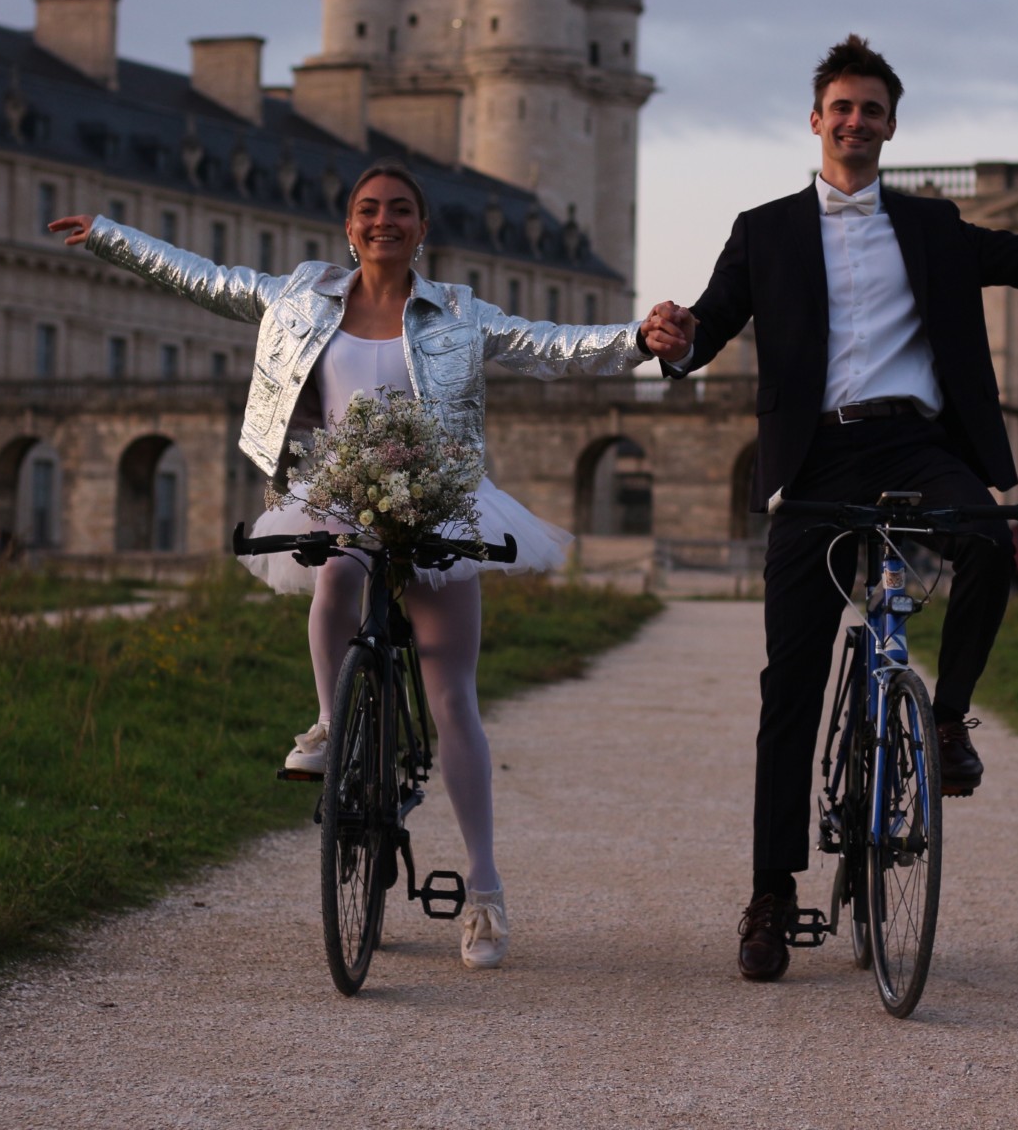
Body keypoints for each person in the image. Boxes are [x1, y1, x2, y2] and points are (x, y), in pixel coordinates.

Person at [649, 35, 1018, 983]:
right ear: (816, 121)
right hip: (816, 457)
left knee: (986, 537)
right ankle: (773, 891)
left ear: (893, 127)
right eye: (841, 108)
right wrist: (675, 339)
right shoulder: (763, 230)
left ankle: (945, 722)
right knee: (790, 690)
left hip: (917, 443)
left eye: (873, 111)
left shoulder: (932, 228)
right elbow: (708, 331)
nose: (856, 123)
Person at [49, 161, 690, 970]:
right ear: (347, 227)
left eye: (399, 210)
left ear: (423, 229)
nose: (382, 221)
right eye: (367, 210)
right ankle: (329, 721)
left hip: (437, 493)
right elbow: (204, 279)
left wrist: (637, 339)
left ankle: (485, 894)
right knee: (338, 571)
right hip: (340, 486)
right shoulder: (299, 297)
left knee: (451, 697)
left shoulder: (457, 312)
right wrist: (111, 237)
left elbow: (550, 348)